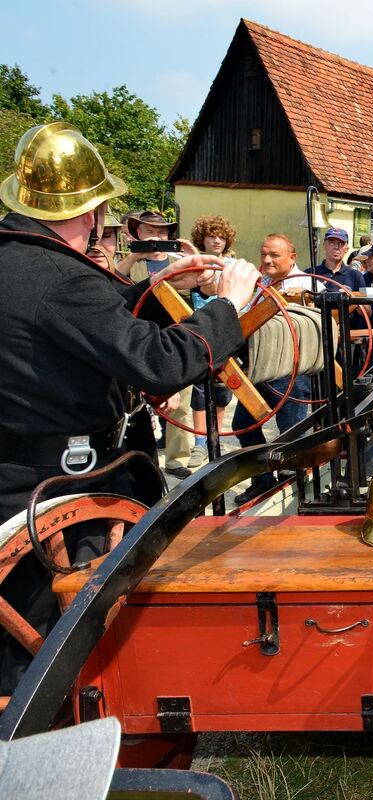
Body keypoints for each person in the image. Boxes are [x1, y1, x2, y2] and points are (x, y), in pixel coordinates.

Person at [0, 121, 260, 692]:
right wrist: (229, 308)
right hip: (60, 498)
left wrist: (157, 285)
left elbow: (75, 326)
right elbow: (161, 364)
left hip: (10, 475)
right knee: (50, 652)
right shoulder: (61, 281)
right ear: (91, 212)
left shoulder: (22, 267)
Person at [231, 233, 315, 506]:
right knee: (243, 424)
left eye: (274, 255)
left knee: (291, 432)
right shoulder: (262, 282)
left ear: (292, 257)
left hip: (289, 370)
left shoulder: (304, 286)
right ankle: (264, 481)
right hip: (259, 367)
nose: (266, 259)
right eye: (263, 254)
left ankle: (299, 491)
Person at [118, 210, 201, 478]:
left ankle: (177, 459)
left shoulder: (180, 262)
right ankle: (138, 457)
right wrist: (134, 256)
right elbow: (113, 287)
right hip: (135, 339)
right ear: (137, 234)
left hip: (173, 336)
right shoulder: (128, 262)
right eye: (150, 231)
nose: (157, 236)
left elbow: (203, 288)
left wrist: (192, 256)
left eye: (162, 232)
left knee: (181, 403)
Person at [186, 215, 238, 468]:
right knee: (198, 389)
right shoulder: (193, 264)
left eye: (221, 237)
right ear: (203, 239)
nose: (217, 241)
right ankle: (199, 443)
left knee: (222, 389)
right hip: (201, 329)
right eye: (212, 236)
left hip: (225, 329)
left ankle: (213, 437)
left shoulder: (234, 265)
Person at [308, 227, 365, 293]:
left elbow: (364, 302)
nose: (336, 247)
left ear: (346, 249)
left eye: (340, 244)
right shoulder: (310, 274)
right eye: (331, 243)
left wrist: (349, 299)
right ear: (324, 245)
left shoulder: (355, 276)